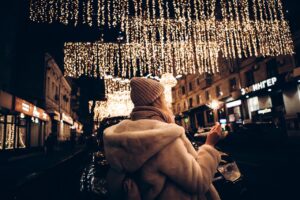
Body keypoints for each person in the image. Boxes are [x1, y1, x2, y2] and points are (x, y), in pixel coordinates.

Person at [103, 77, 223, 200]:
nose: (167, 103)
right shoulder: (164, 137)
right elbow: (198, 182)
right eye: (163, 98)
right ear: (157, 101)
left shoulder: (123, 136)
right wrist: (209, 145)